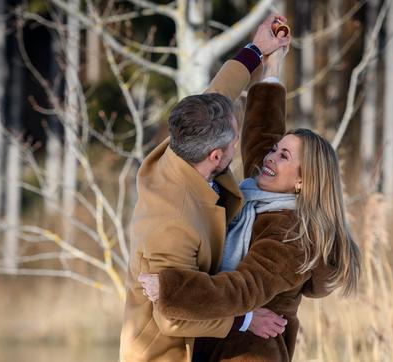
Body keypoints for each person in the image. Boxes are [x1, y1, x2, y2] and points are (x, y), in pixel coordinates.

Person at [139, 44, 362, 362]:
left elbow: (243, 288)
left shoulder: (292, 236)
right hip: (223, 340)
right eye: (274, 149)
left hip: (251, 352)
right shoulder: (265, 194)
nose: (269, 157)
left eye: (282, 155)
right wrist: (272, 67)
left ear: (303, 181)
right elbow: (263, 133)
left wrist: (173, 289)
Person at [119, 15, 292, 362]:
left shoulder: (186, 141)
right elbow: (173, 313)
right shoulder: (174, 222)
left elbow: (218, 95)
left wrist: (258, 50)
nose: (237, 141)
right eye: (234, 139)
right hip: (167, 353)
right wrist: (245, 320)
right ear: (217, 155)